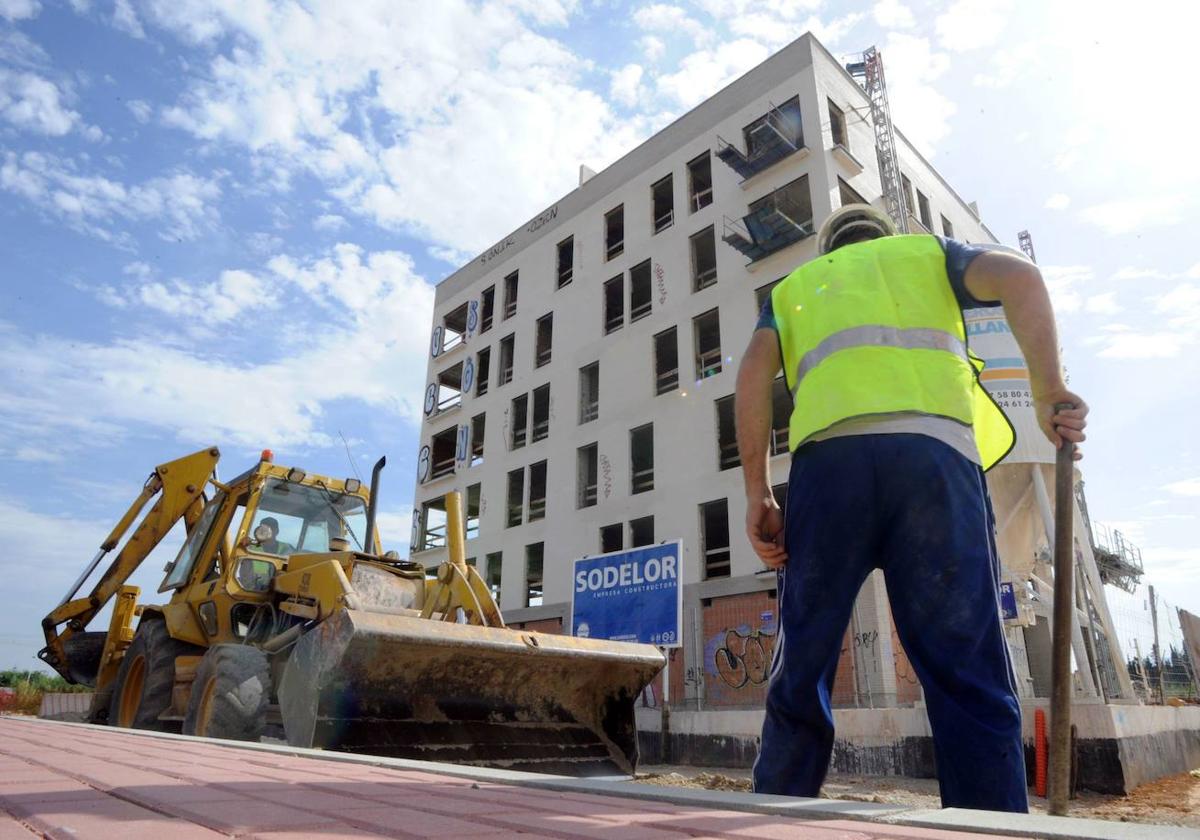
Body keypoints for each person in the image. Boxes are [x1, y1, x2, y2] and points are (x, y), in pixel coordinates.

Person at [734, 204, 1087, 813]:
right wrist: (1048, 391)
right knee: (965, 668)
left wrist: (758, 494)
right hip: (934, 462)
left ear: (828, 248)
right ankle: (991, 824)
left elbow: (751, 373)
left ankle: (777, 816)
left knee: (804, 662)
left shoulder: (796, 290)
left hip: (827, 471)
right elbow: (1022, 278)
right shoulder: (927, 256)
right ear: (883, 237)